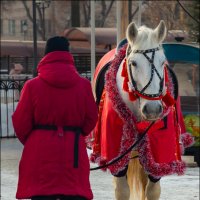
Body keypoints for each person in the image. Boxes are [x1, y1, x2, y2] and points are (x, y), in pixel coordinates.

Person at [12, 36, 98, 200]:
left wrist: (35, 140)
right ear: (68, 54)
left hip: (40, 154)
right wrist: (77, 134)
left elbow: (20, 122)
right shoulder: (84, 85)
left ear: (46, 55)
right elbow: (91, 118)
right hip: (73, 153)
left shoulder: (32, 86)